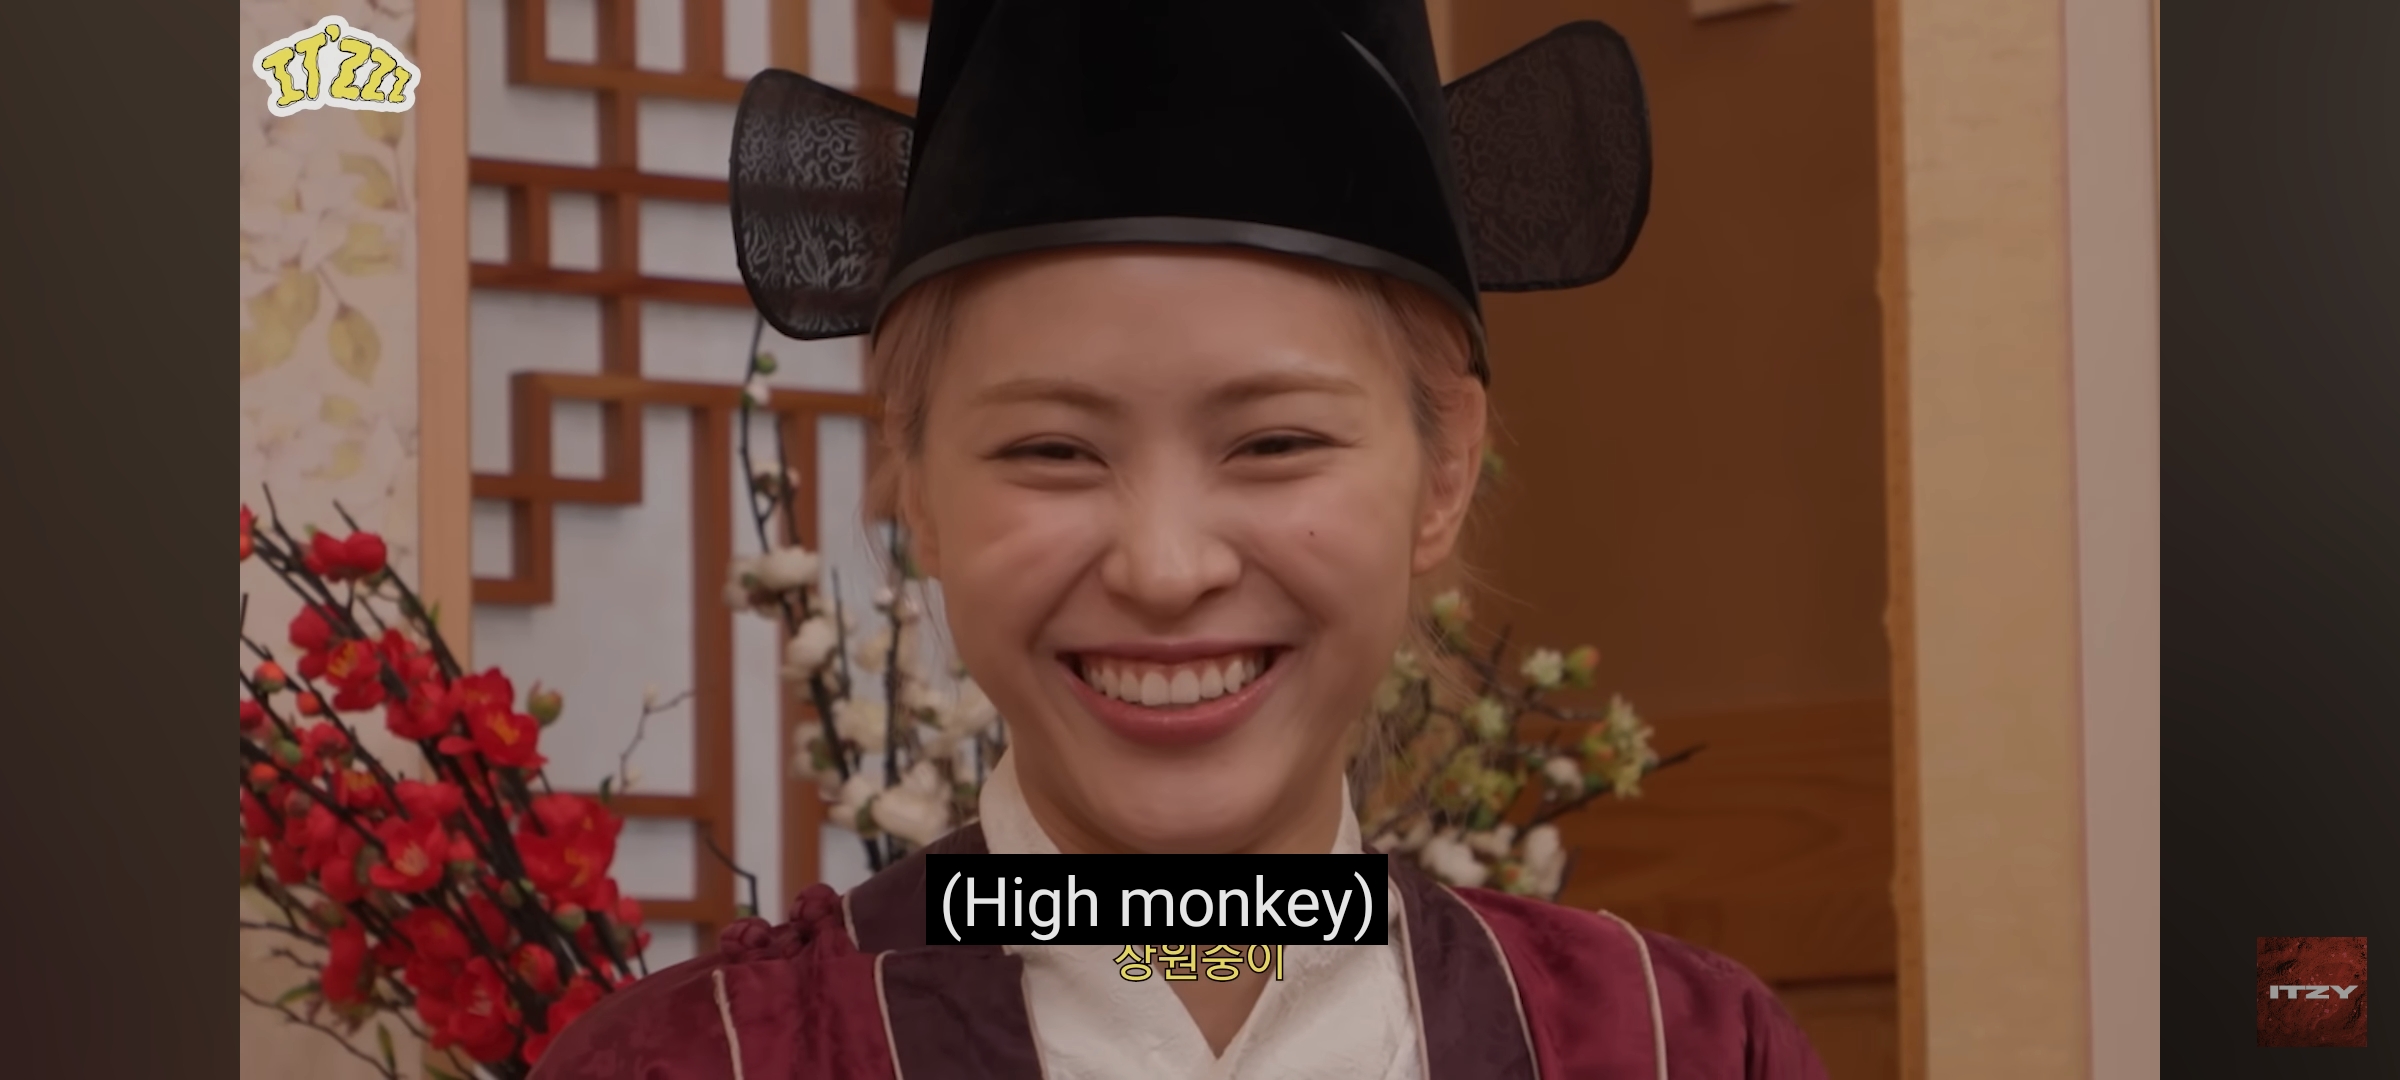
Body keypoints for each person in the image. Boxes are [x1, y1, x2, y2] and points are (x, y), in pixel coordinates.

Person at [534, 2, 1827, 1077]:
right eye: (1052, 451)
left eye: (1275, 443)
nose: (1164, 569)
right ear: (915, 486)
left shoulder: (1677, 1050)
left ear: (1444, 470)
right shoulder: (702, 1063)